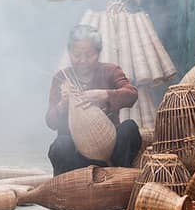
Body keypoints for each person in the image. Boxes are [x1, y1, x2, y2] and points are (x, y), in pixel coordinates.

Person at [46, 24, 142, 176]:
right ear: (69, 52)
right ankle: (66, 188)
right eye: (77, 55)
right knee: (60, 145)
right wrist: (62, 106)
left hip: (110, 153)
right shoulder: (61, 78)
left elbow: (131, 94)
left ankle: (118, 177)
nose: (82, 60)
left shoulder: (110, 71)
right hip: (77, 156)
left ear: (98, 52)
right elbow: (50, 121)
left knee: (130, 128)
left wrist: (104, 95)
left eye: (89, 54)